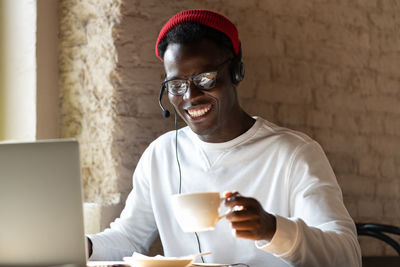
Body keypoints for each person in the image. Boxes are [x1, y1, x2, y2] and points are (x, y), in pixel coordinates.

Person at [87, 9, 361, 267]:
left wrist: (273, 229)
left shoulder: (294, 153)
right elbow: (128, 238)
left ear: (236, 73)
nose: (191, 96)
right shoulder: (160, 155)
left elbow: (347, 255)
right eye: (177, 85)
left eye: (205, 78)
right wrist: (80, 246)